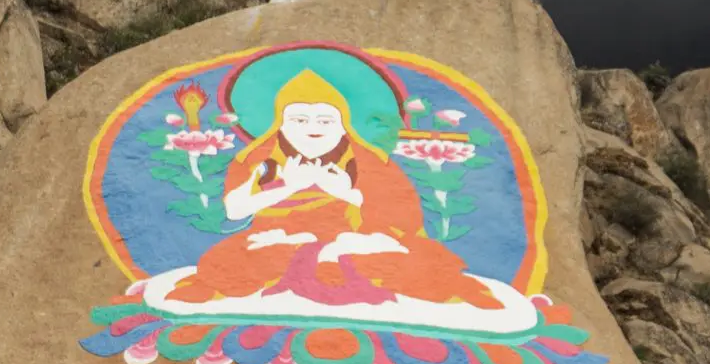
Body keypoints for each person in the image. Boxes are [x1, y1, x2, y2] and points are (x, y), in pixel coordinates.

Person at [167, 69, 504, 311]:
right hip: (279, 243)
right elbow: (234, 210)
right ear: (280, 124)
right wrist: (286, 188)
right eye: (299, 120)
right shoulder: (264, 160)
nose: (313, 129)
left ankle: (463, 291)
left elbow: (403, 214)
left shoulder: (367, 161)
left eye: (325, 120)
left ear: (343, 123)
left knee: (419, 260)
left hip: (358, 243)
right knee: (230, 261)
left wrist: (349, 195)